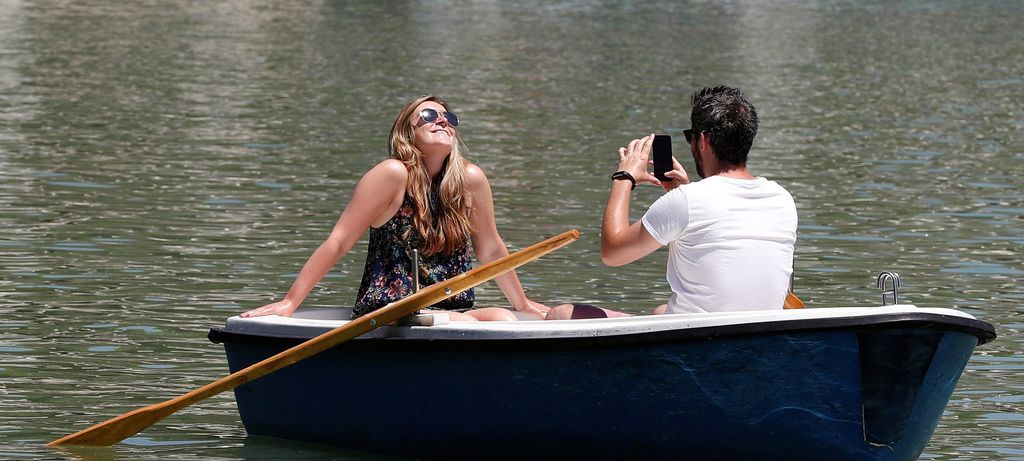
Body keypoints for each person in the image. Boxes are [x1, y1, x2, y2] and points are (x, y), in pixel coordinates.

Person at [242, 95, 549, 321]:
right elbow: (339, 241)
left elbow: (492, 249)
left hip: (452, 308)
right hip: (392, 308)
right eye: (429, 115)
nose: (443, 120)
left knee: (505, 318)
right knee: (483, 323)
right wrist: (289, 302)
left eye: (449, 118)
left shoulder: (469, 180)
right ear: (407, 132)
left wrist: (522, 303)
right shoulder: (392, 175)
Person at [547, 85, 797, 319]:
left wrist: (624, 177)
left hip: (696, 346)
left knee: (561, 314)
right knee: (660, 310)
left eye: (690, 137)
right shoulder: (783, 199)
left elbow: (612, 253)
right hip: (754, 339)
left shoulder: (689, 201)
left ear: (703, 141)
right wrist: (682, 195)